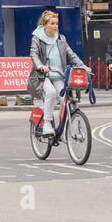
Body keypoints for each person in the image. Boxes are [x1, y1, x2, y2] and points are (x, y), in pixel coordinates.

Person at [28, 9, 86, 137]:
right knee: (51, 92)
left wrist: (83, 67)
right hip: (42, 76)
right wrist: (40, 66)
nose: (55, 26)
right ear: (45, 25)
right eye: (52, 23)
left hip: (59, 75)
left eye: (57, 24)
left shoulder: (61, 38)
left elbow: (71, 55)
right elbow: (34, 54)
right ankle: (47, 124)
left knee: (65, 99)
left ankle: (62, 128)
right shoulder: (37, 38)